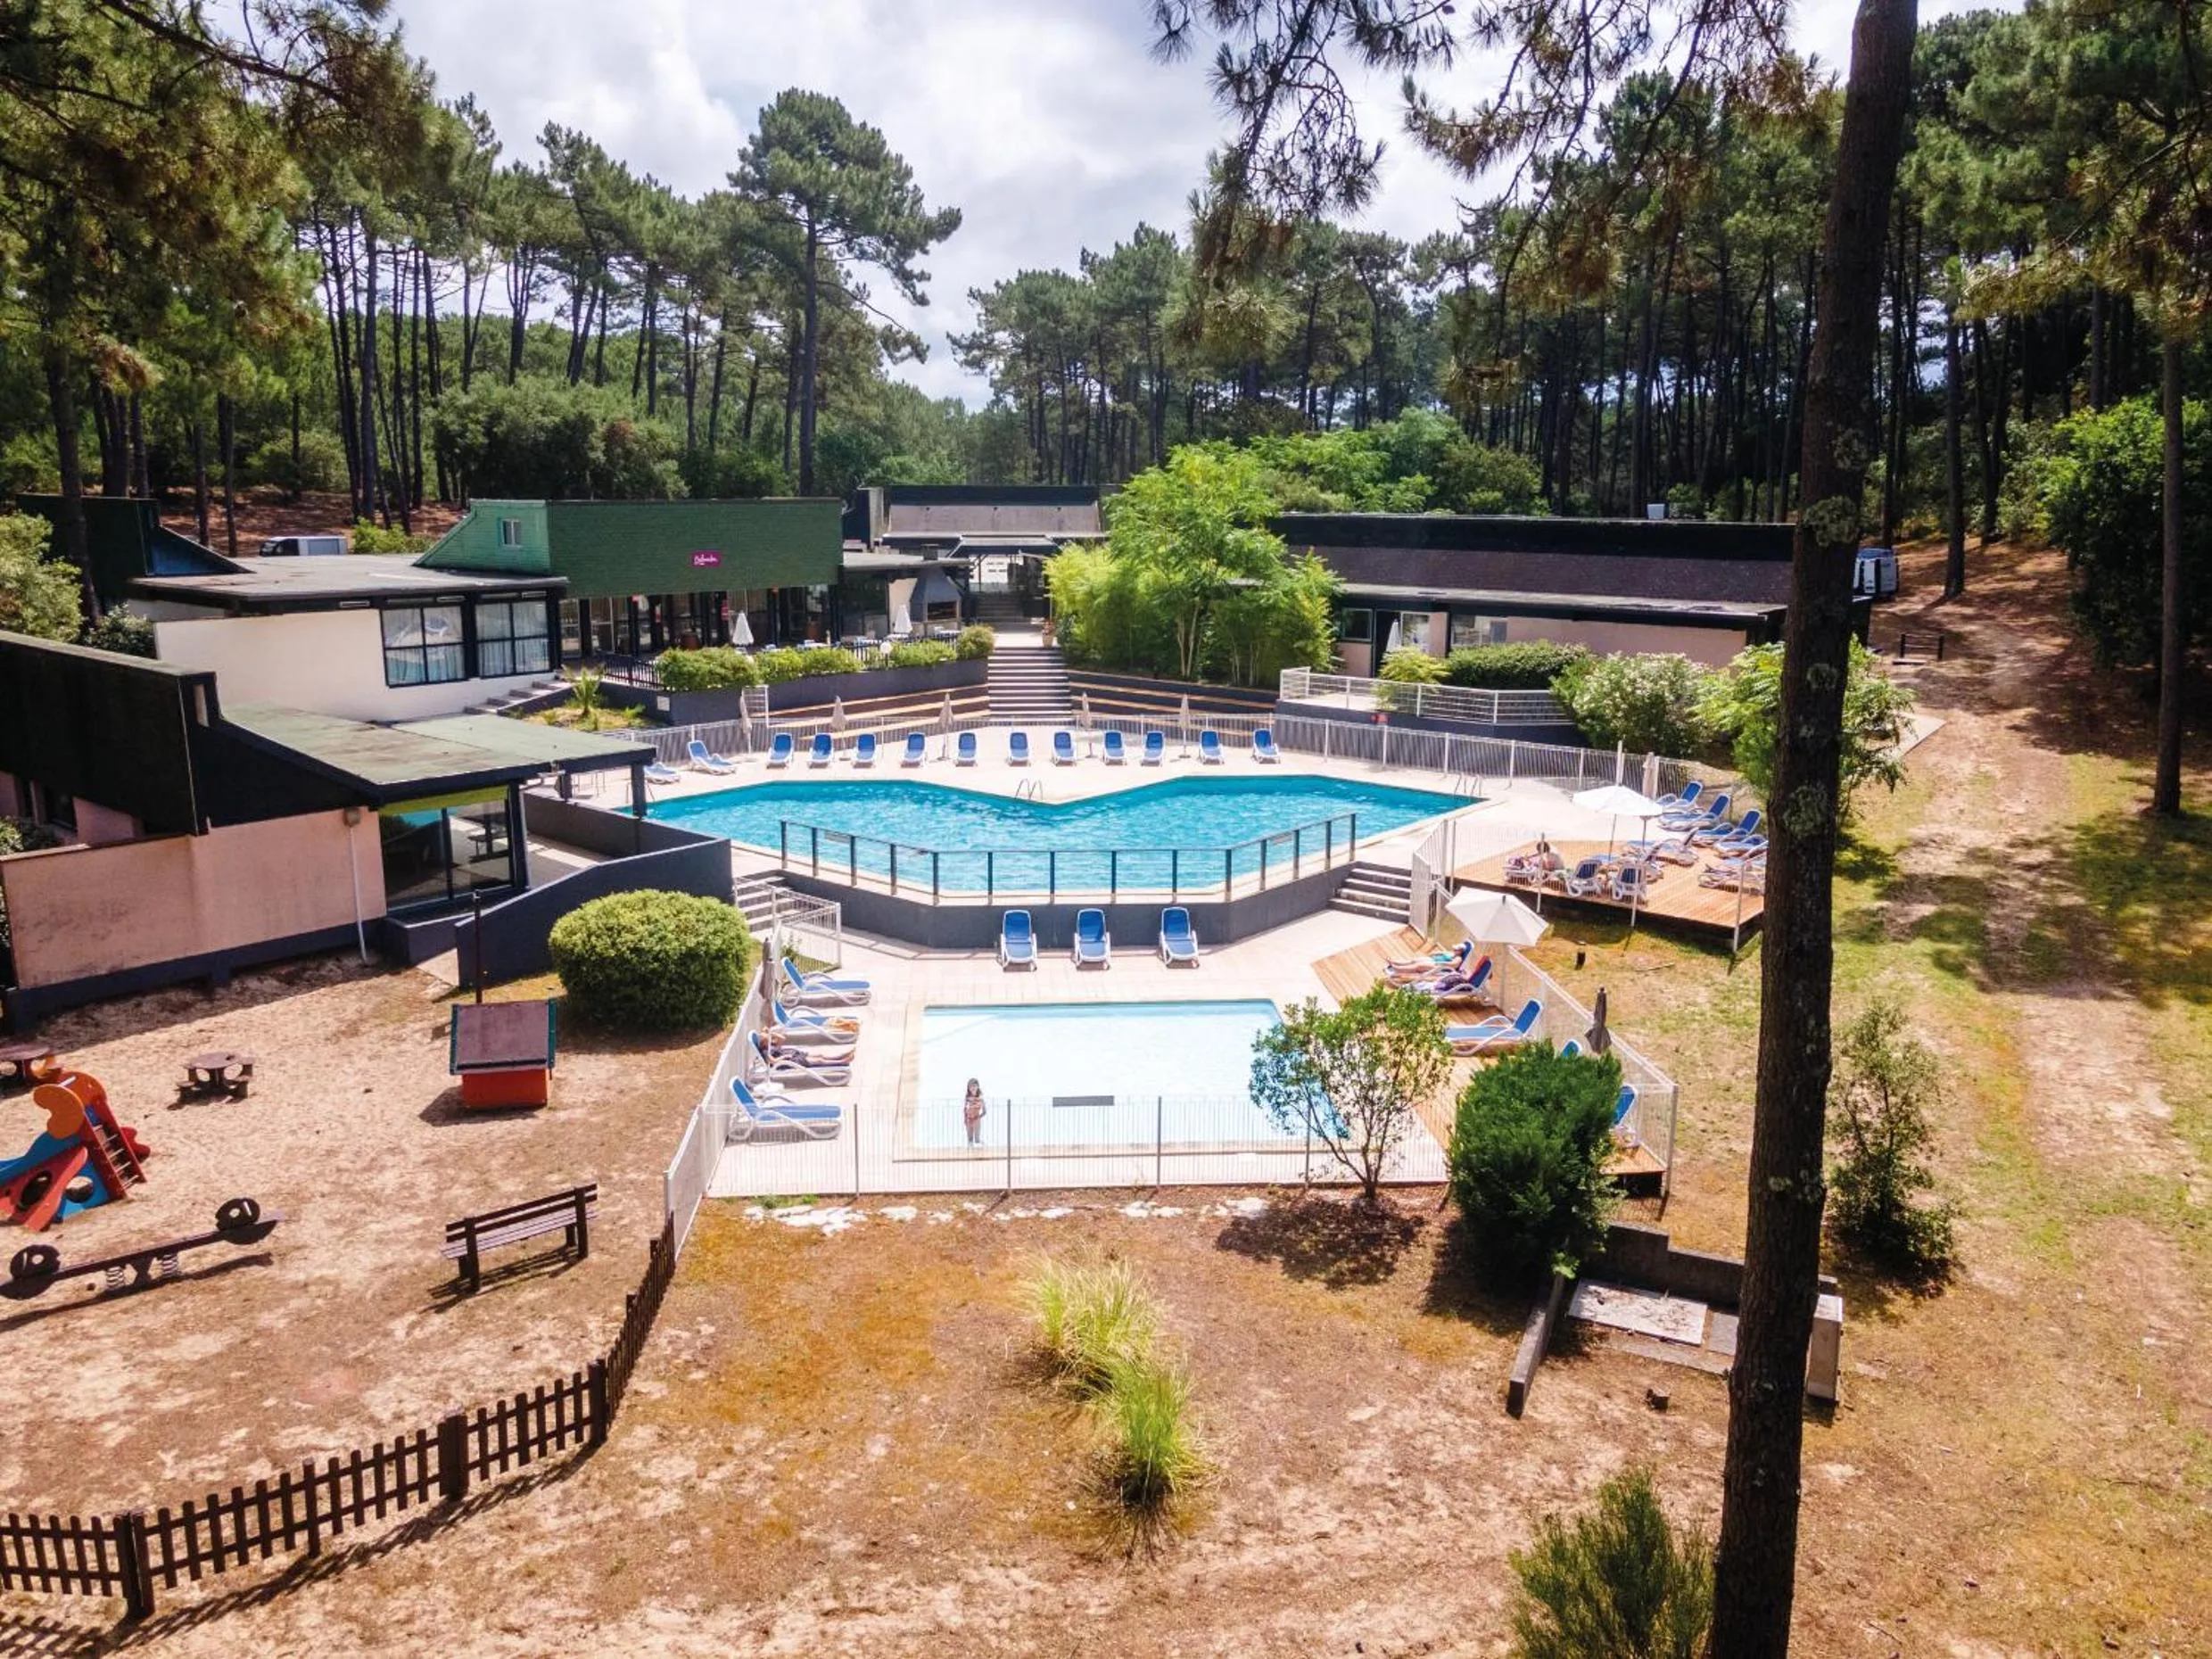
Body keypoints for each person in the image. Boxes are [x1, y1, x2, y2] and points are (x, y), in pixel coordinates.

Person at [963, 1077, 986, 1146]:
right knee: (970, 1140)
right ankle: (970, 1154)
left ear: (977, 1086)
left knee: (977, 1140)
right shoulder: (967, 1098)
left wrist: (978, 1117)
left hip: (976, 1120)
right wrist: (965, 1119)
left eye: (974, 1086)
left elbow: (984, 1111)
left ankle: (979, 1153)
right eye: (970, 1086)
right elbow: (965, 1109)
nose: (972, 1088)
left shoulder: (980, 1098)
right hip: (968, 1120)